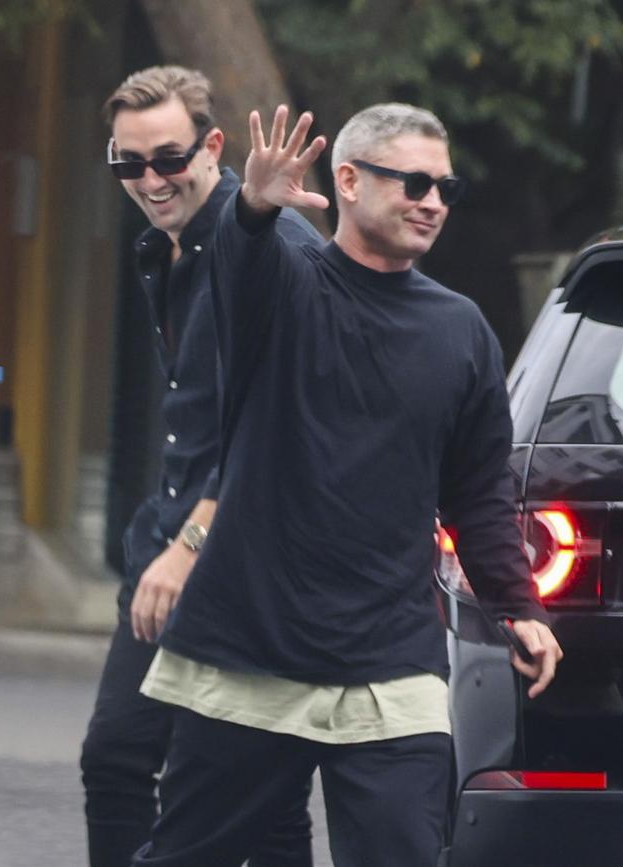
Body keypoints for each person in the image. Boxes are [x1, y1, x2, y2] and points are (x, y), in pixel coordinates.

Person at [133, 103, 564, 867]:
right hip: (250, 648)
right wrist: (254, 206)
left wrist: (518, 604)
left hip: (390, 663)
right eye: (414, 182)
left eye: (445, 188)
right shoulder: (281, 285)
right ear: (350, 179)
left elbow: (479, 493)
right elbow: (240, 258)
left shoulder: (462, 330)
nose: (432, 201)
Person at [79, 68, 321, 867]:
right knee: (120, 758)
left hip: (243, 557)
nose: (150, 181)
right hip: (168, 543)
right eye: (128, 164)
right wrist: (167, 542)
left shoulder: (270, 245)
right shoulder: (162, 248)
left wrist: (190, 543)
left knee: (262, 799)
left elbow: (280, 424)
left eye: (169, 158)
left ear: (214, 145)